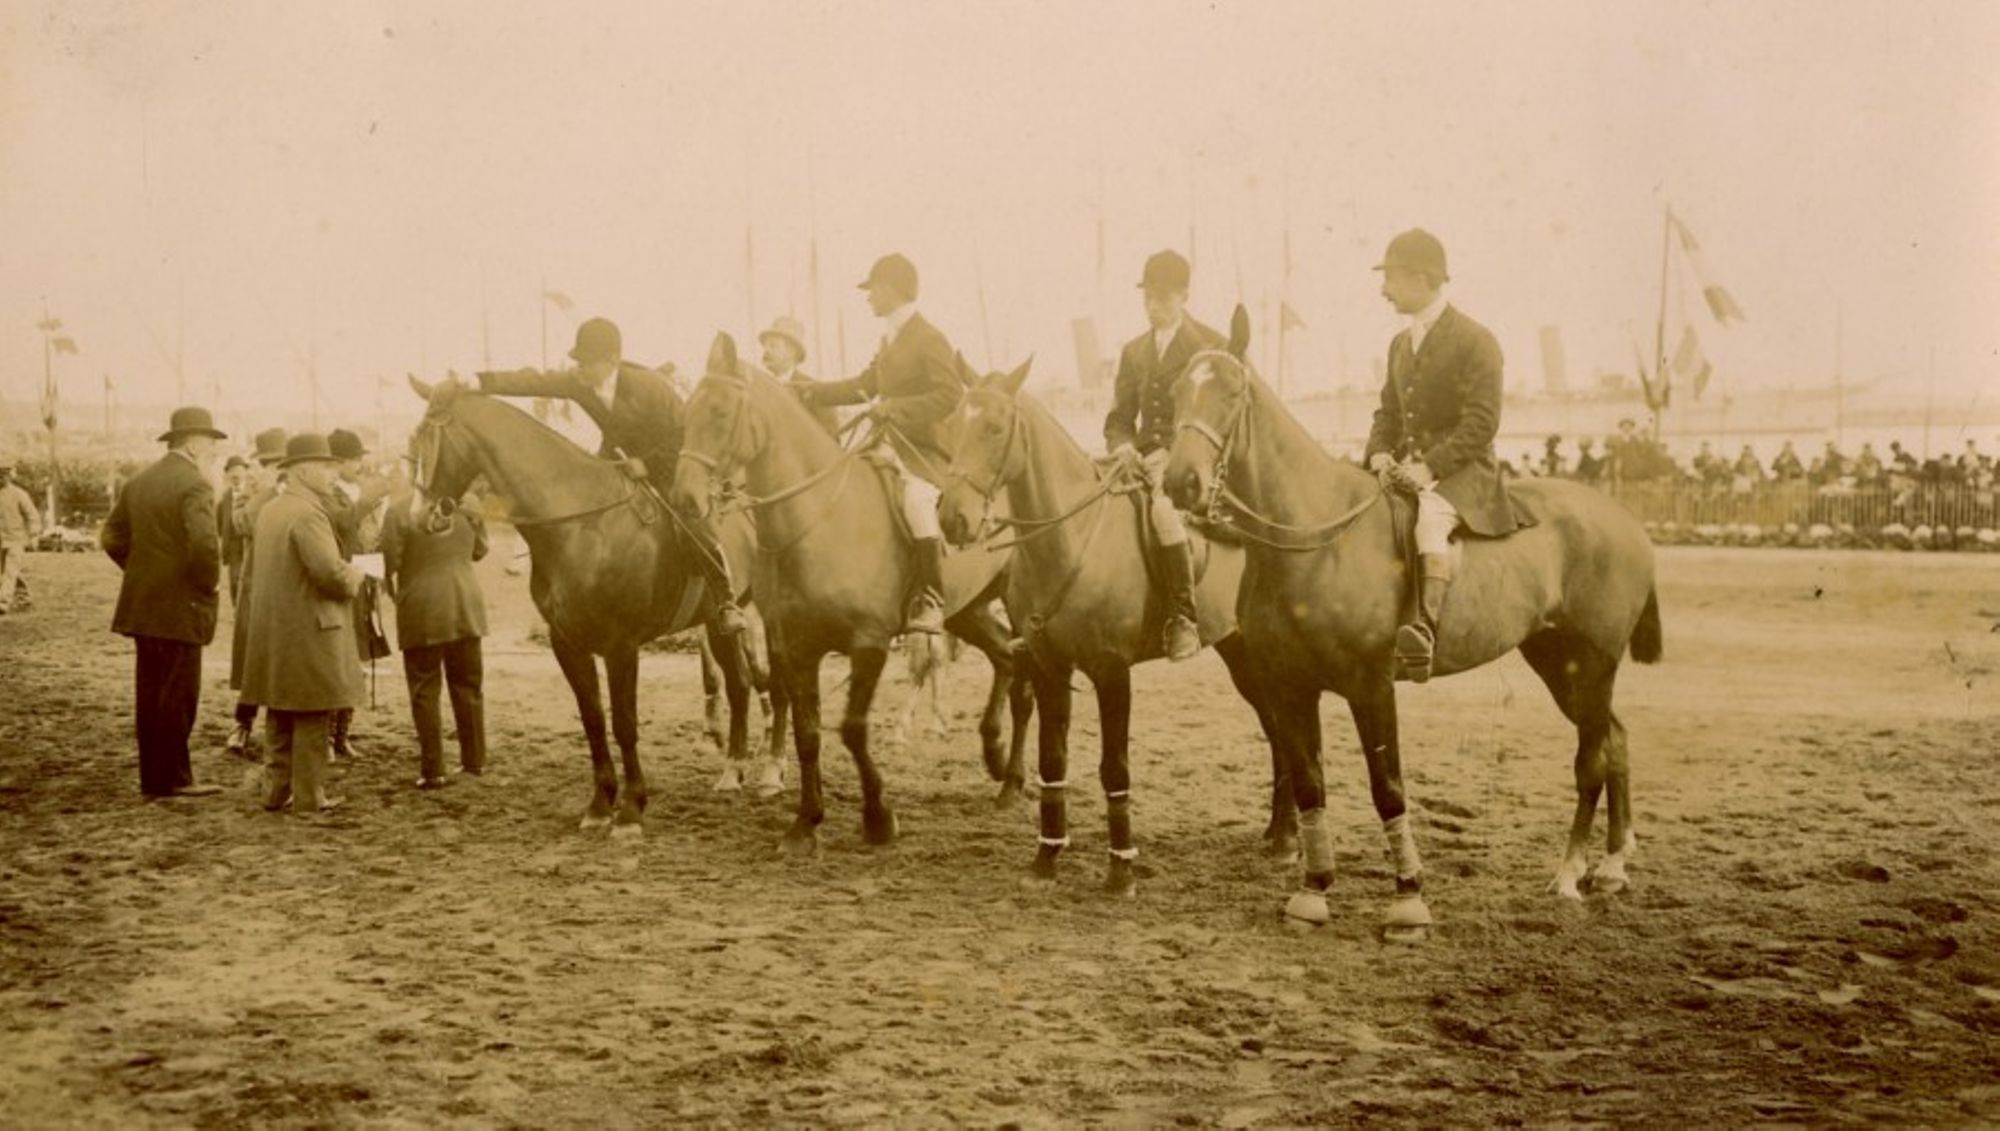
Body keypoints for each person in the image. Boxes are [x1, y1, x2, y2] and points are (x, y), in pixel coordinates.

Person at [476, 317, 747, 636]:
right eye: (578, 361)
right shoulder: (581, 381)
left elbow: (682, 436)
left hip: (670, 464)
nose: (581, 369)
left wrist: (646, 464)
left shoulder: (650, 387)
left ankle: (726, 599)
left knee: (693, 520)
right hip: (617, 463)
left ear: (613, 361)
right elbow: (535, 381)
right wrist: (479, 382)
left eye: (588, 363)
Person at [1363, 229, 1523, 683]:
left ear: (1420, 278)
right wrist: (1377, 454)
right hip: (1405, 469)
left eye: (1391, 278)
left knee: (1429, 521)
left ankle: (1424, 628)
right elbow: (1387, 413)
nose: (1383, 289)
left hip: (1461, 473)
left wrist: (1430, 465)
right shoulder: (1400, 343)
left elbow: (1481, 422)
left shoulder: (1476, 339)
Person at [796, 253, 965, 634]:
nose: (869, 297)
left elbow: (951, 394)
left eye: (872, 290)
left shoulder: (929, 337)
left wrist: (896, 408)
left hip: (923, 452)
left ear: (890, 289)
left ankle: (932, 598)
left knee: (917, 502)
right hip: (884, 446)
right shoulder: (890, 337)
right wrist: (812, 392)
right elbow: (865, 385)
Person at [100, 407, 228, 798]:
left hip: (144, 605)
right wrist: (207, 586)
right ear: (192, 443)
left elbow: (111, 537)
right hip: (181, 607)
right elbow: (205, 544)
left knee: (151, 692)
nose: (213, 455)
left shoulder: (139, 482)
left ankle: (154, 778)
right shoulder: (195, 484)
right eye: (211, 447)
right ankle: (174, 778)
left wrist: (142, 571)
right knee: (178, 694)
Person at [1103, 249, 1222, 661]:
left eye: (1164, 298)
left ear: (1184, 295)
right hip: (1136, 457)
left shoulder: (1209, 344)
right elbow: (1119, 416)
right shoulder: (1134, 351)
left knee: (1163, 513)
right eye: (1149, 297)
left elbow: (1217, 418)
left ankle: (1183, 615)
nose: (1154, 306)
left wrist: (1172, 455)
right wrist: (1121, 445)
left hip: (1185, 459)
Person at [239, 433, 367, 816]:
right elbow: (329, 573)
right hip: (311, 628)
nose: (332, 474)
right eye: (327, 467)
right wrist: (356, 574)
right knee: (313, 712)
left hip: (277, 629)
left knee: (280, 711)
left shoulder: (273, 510)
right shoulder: (309, 514)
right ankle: (311, 798)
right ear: (304, 469)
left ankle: (276, 792)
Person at [382, 482, 489, 789]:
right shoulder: (468, 503)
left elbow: (391, 563)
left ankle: (433, 770)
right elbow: (480, 551)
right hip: (466, 603)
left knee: (425, 690)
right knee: (469, 685)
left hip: (421, 608)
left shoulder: (400, 509)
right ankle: (475, 760)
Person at [325, 428, 393, 761]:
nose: (359, 464)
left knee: (358, 658)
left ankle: (342, 734)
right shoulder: (329, 492)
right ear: (336, 461)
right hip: (342, 582)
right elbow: (342, 525)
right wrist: (367, 502)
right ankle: (326, 736)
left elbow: (368, 535)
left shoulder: (353, 490)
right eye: (354, 459)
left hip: (364, 579)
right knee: (339, 658)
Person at [226, 427, 289, 758]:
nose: (273, 467)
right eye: (267, 461)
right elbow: (241, 524)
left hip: (292, 582)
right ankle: (243, 723)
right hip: (259, 580)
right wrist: (270, 493)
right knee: (253, 656)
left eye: (279, 461)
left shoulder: (302, 487)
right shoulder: (251, 489)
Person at [761, 315, 839, 437]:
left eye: (773, 345)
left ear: (792, 351)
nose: (766, 350)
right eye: (765, 346)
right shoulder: (761, 390)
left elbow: (831, 443)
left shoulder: (816, 391)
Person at [0, 460, 42, 615]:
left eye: (3, 475)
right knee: (9, 571)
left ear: (9, 476)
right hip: (1, 540)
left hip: (16, 539)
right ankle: (24, 598)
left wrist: (34, 534)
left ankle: (2, 603)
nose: (0, 478)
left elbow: (32, 516)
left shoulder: (19, 494)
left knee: (10, 571)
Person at [216, 456, 250, 605]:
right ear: (228, 475)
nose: (236, 475)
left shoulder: (253, 494)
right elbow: (219, 524)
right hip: (234, 547)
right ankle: (238, 612)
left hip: (251, 543)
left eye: (239, 471)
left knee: (251, 580)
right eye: (232, 472)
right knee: (235, 581)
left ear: (245, 473)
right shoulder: (224, 499)